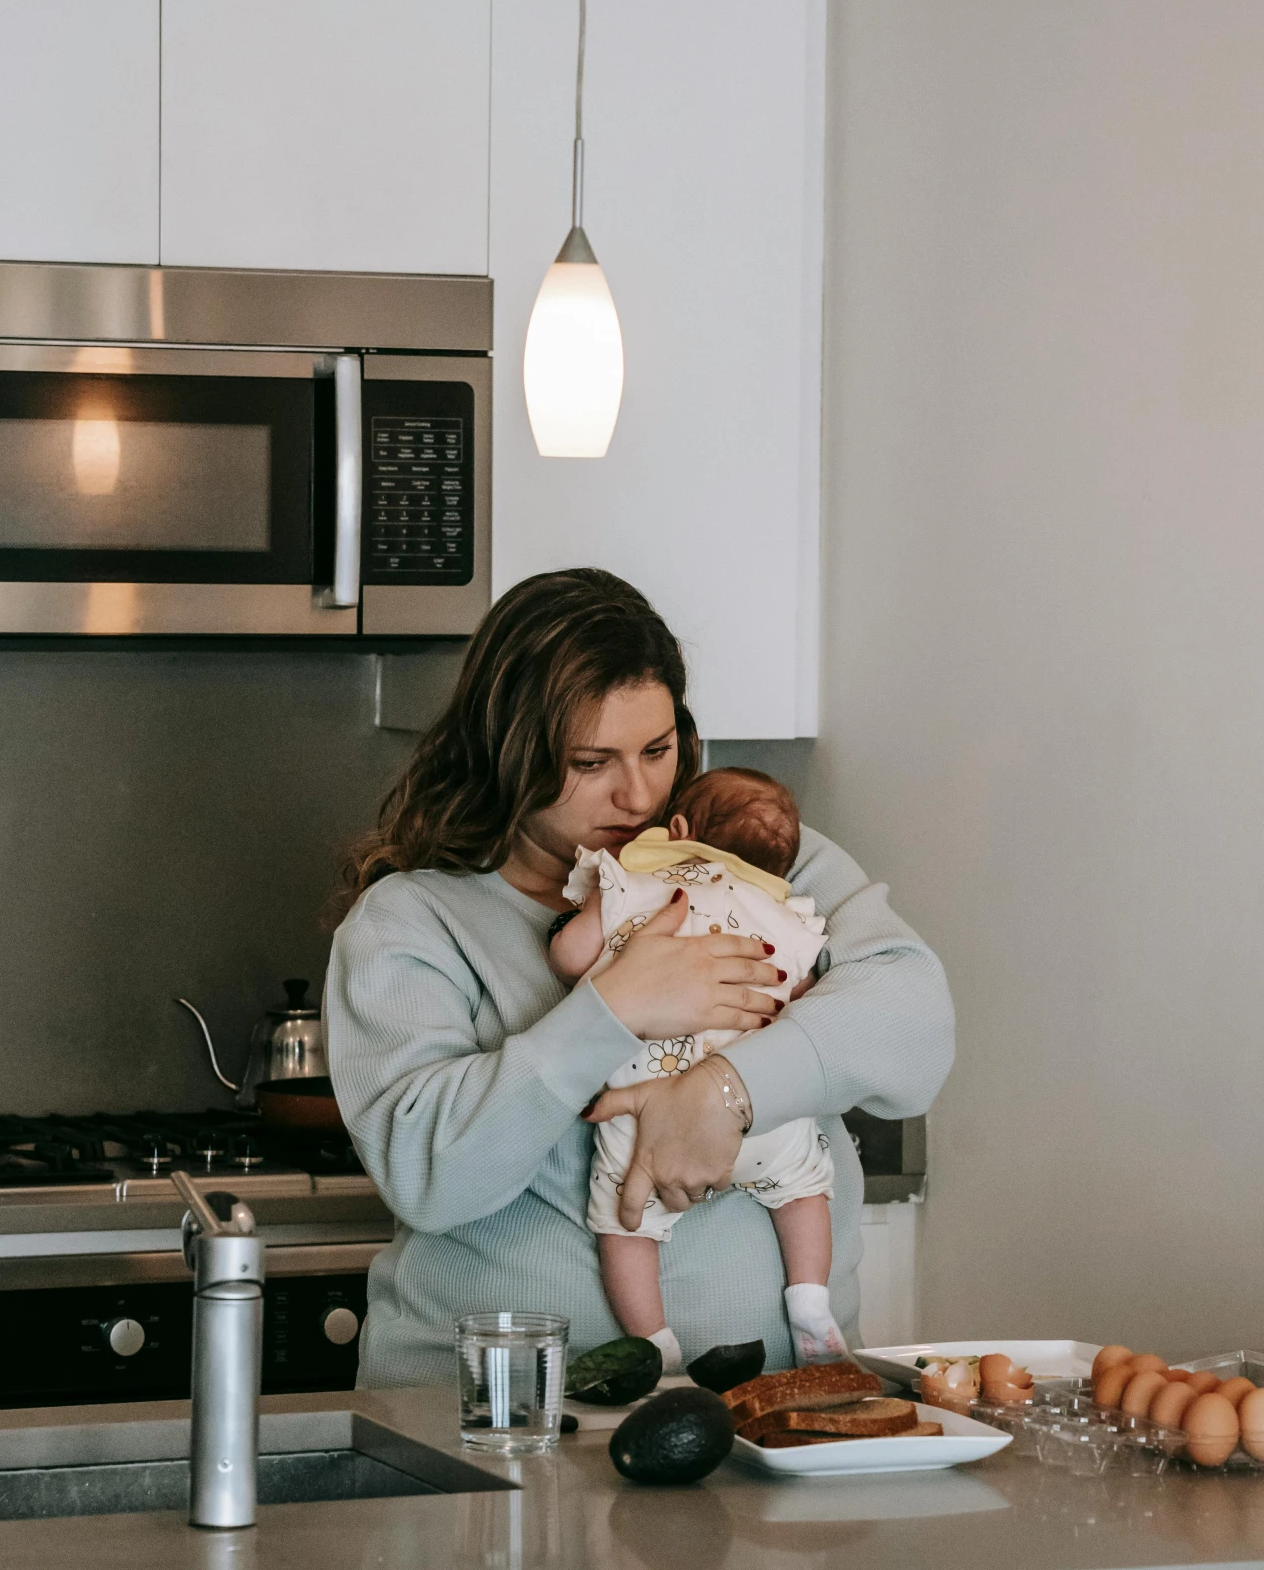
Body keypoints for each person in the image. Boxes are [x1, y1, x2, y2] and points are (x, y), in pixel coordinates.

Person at [325, 567, 955, 1388]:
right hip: (496, 1418)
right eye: (589, 762)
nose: (637, 792)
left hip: (774, 1410)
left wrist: (721, 1091)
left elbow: (916, 1029)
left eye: (656, 750)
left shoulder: (759, 864)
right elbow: (428, 1176)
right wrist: (612, 1006)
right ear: (508, 752)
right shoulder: (412, 919)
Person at [550, 767, 849, 1370]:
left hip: (645, 1112)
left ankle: (656, 1345)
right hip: (763, 1118)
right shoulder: (786, 913)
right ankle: (812, 1300)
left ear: (678, 828)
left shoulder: (637, 882)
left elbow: (570, 956)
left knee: (624, 1226)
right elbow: (811, 996)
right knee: (805, 1192)